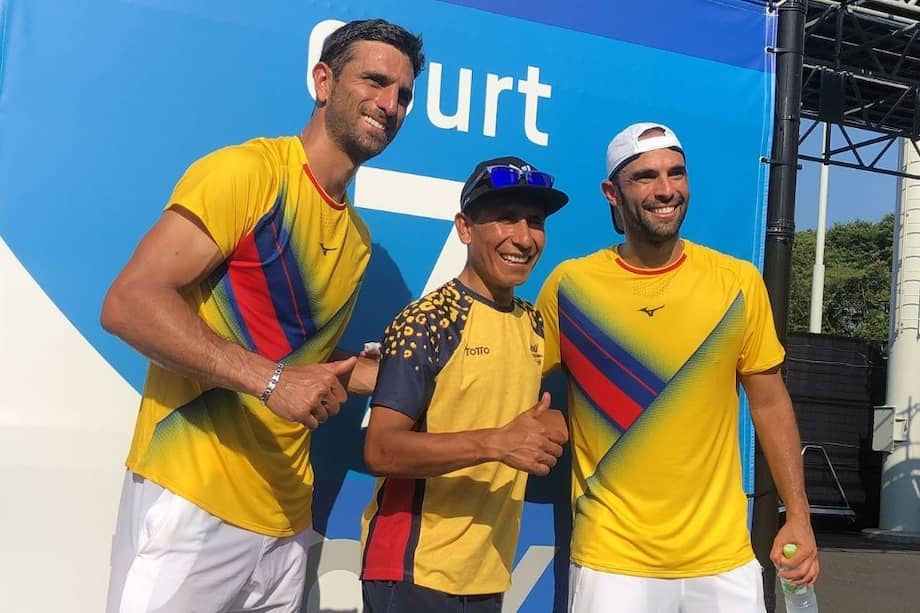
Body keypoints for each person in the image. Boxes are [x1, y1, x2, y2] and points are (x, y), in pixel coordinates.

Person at [99, 19, 425, 612]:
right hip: (192, 504)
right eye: (375, 80)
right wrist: (271, 381)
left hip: (287, 526)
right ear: (323, 81)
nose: (390, 103)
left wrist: (369, 376)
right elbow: (129, 303)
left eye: (403, 94)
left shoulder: (356, 236)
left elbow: (301, 368)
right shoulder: (249, 173)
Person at [535, 122, 820, 612]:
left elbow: (770, 405)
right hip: (611, 562)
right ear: (612, 193)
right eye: (645, 177)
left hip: (724, 562)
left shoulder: (738, 282)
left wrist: (799, 515)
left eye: (676, 173)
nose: (666, 190)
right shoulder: (569, 285)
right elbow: (514, 381)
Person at [359, 156, 570, 612]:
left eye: (535, 221)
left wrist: (552, 425)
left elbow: (503, 407)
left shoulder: (533, 323)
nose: (523, 236)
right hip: (413, 571)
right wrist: (497, 443)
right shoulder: (428, 319)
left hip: (487, 574)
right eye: (505, 218)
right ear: (465, 228)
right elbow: (381, 450)